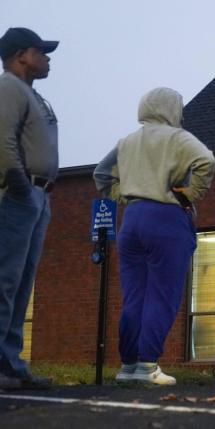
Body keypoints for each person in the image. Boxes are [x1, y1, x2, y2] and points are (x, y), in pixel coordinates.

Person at [94, 87, 215, 385]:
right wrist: (191, 193)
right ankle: (148, 366)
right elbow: (207, 161)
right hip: (166, 217)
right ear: (171, 108)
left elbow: (101, 173)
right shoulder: (178, 137)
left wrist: (122, 197)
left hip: (132, 219)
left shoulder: (127, 141)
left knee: (135, 295)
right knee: (162, 295)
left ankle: (128, 366)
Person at [0, 28, 59, 390]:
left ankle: (10, 363)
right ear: (21, 55)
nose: (48, 58)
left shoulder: (32, 94)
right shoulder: (9, 87)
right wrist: (20, 186)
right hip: (18, 195)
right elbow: (2, 139)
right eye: (42, 52)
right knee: (4, 280)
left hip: (39, 196)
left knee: (20, 284)